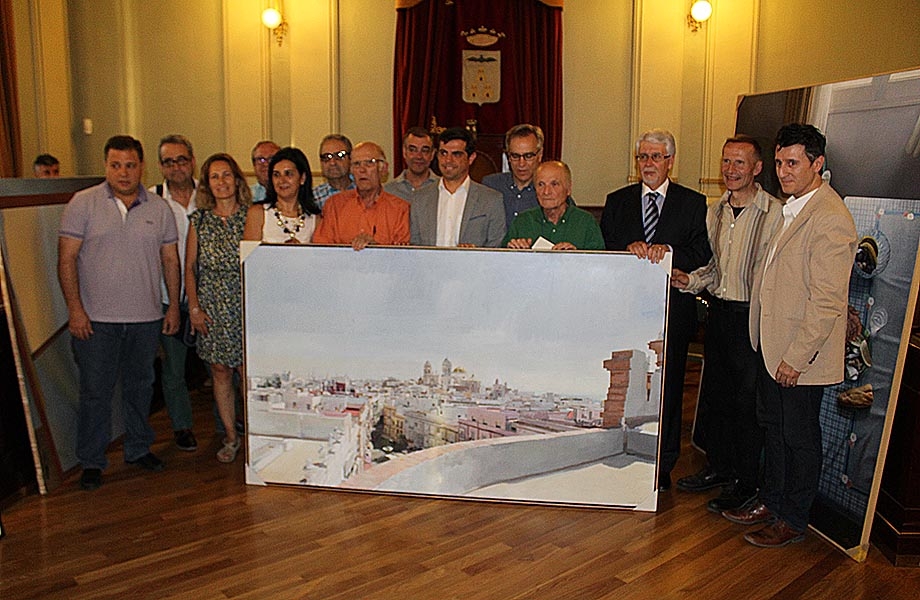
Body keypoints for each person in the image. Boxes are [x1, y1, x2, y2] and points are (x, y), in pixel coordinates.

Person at [722, 124, 857, 548]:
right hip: (772, 348)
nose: (783, 171)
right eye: (779, 163)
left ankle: (794, 518)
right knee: (775, 432)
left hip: (799, 358)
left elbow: (826, 301)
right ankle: (772, 501)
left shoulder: (831, 218)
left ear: (818, 164)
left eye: (793, 163)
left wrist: (796, 358)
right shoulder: (793, 207)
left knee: (799, 439)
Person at [58, 135, 180, 490]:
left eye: (130, 165)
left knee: (141, 388)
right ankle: (92, 461)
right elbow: (66, 259)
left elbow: (170, 261)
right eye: (115, 165)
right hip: (95, 322)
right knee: (95, 392)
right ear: (106, 166)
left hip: (145, 319)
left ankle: (138, 448)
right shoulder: (82, 204)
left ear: (141, 167)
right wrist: (75, 309)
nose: (123, 173)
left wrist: (173, 306)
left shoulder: (160, 208)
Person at [671, 136, 782, 511]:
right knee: (716, 399)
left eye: (739, 163)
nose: (731, 170)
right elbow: (714, 268)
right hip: (718, 314)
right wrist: (689, 280)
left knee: (747, 405)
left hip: (752, 317)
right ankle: (718, 469)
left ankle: (746, 483)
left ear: (757, 168)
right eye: (726, 162)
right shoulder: (714, 211)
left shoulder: (775, 214)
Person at [600, 128, 711, 492]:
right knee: (625, 386)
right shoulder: (617, 201)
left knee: (669, 391)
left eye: (656, 157)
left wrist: (670, 252)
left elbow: (702, 252)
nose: (648, 163)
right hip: (626, 313)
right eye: (643, 157)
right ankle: (623, 455)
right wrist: (627, 249)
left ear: (670, 161)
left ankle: (662, 466)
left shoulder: (693, 203)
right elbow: (605, 249)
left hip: (672, 313)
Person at [186, 153, 252, 463]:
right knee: (220, 371)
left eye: (226, 175)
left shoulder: (252, 215)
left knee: (247, 373)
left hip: (245, 304)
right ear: (207, 184)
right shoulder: (199, 220)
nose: (221, 182)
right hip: (211, 306)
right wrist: (194, 309)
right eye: (214, 177)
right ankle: (230, 436)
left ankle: (255, 436)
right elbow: (189, 268)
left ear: (237, 180)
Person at [149, 134, 199, 452]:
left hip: (206, 297)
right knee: (173, 369)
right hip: (167, 298)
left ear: (192, 161)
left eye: (181, 160)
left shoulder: (208, 194)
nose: (176, 167)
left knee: (219, 367)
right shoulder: (151, 200)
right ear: (160, 166)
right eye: (169, 161)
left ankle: (227, 424)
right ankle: (182, 426)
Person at [410, 127, 506, 247]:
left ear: (471, 158)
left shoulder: (491, 200)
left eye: (456, 154)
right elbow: (415, 247)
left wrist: (474, 253)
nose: (448, 160)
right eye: (443, 153)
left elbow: (496, 247)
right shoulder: (420, 198)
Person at [313, 142, 409, 249]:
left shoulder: (399, 209)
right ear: (351, 171)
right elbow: (322, 249)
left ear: (383, 169)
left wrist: (376, 249)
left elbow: (402, 254)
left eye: (369, 163)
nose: (362, 170)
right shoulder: (334, 205)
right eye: (357, 164)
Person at [503, 161, 604, 250]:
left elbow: (600, 262)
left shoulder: (585, 222)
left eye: (554, 184)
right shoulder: (523, 221)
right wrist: (514, 251)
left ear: (568, 189)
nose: (546, 192)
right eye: (541, 184)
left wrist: (575, 256)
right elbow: (501, 260)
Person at [243, 147, 321, 244]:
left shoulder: (315, 219)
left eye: (288, 174)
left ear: (302, 178)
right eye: (276, 175)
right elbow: (249, 252)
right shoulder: (258, 213)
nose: (282, 180)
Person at [483, 124, 545, 227]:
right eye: (515, 156)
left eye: (528, 156)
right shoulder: (491, 186)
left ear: (540, 155)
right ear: (508, 156)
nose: (521, 163)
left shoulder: (550, 191)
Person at [383, 126, 438, 201]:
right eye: (413, 150)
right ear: (404, 152)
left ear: (432, 154)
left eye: (424, 151)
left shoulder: (442, 188)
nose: (419, 156)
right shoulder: (388, 192)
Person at [312, 134, 355, 209]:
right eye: (326, 157)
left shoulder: (365, 191)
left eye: (339, 156)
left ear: (351, 158)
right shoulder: (313, 198)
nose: (332, 162)